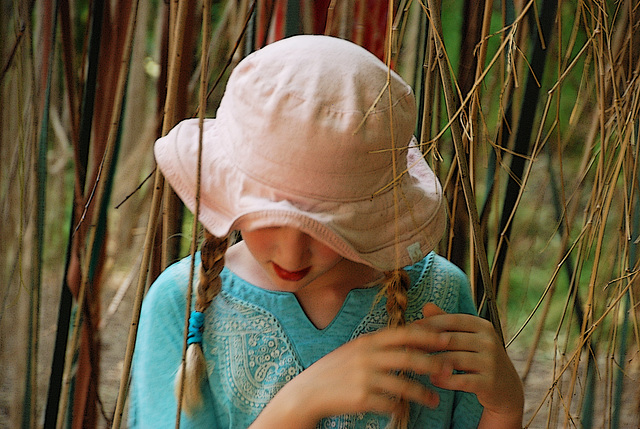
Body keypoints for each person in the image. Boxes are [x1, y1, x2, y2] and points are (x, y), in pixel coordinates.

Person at [129, 35, 524, 429]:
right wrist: (299, 405)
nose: (290, 254)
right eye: (269, 218)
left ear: (373, 214)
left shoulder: (439, 293)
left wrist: (504, 408)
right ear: (230, 194)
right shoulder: (180, 304)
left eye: (324, 229)